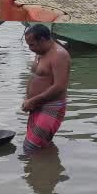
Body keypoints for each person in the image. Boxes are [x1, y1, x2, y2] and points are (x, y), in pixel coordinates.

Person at [21, 24, 70, 153]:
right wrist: (27, 98)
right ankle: (46, 166)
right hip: (36, 106)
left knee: (31, 147)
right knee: (40, 145)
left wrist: (33, 100)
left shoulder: (59, 55)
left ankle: (42, 170)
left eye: (32, 45)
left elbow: (60, 86)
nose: (30, 48)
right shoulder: (40, 52)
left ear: (42, 40)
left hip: (51, 107)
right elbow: (35, 76)